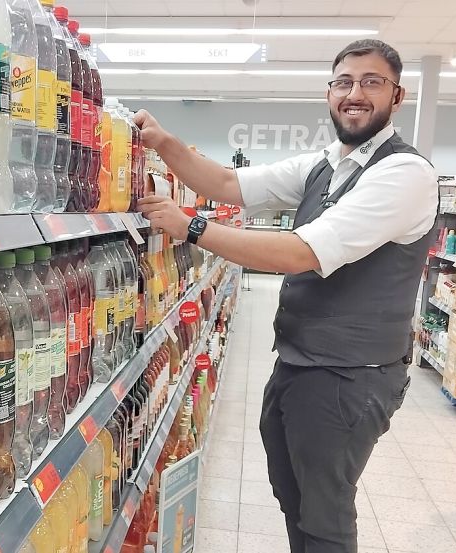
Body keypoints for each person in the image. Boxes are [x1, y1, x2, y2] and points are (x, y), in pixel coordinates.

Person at [135, 39, 438, 553]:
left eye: (371, 82)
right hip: (302, 363)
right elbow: (231, 182)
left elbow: (301, 252)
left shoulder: (403, 173)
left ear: (397, 96)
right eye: (344, 82)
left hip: (350, 376)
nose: (355, 93)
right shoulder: (327, 164)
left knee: (324, 516)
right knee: (293, 493)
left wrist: (191, 227)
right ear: (329, 93)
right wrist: (165, 144)